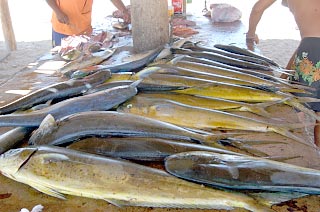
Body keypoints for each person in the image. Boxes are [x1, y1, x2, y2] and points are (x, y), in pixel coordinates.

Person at [246, 0, 320, 147]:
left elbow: (257, 9)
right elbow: (305, 45)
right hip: (310, 48)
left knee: (297, 109)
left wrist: (250, 34)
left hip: (312, 51)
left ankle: (308, 156)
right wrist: (285, 75)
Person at [46, 0, 131, 47]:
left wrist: (124, 11)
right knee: (64, 63)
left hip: (84, 28)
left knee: (84, 62)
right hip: (63, 29)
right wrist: (58, 12)